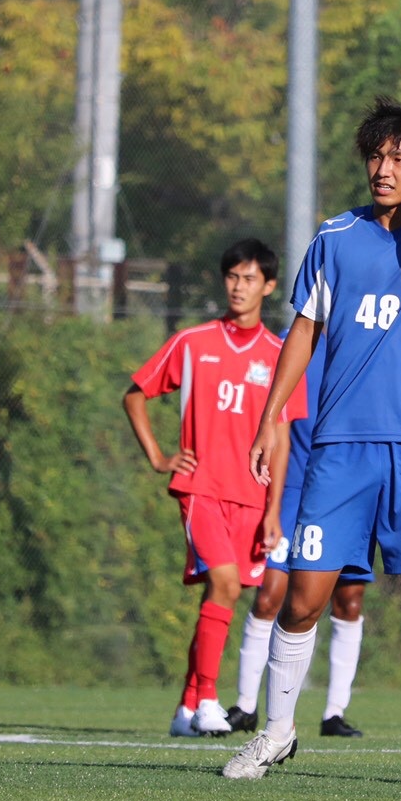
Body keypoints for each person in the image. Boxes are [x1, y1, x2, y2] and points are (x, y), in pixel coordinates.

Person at [222, 98, 401, 786]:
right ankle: (276, 733)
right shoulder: (334, 237)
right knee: (303, 597)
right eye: (376, 155)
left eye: (399, 157)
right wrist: (271, 417)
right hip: (340, 449)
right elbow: (303, 330)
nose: (382, 168)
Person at [123, 238, 307, 738]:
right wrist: (159, 457)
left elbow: (282, 440)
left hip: (250, 497)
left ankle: (185, 708)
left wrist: (273, 510)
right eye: (232, 276)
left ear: (269, 286)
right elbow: (135, 396)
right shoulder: (193, 342)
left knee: (220, 596)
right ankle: (207, 700)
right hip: (200, 488)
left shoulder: (280, 356)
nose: (238, 287)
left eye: (249, 278)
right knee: (224, 584)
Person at [226, 332, 370, 739]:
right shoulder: (290, 341)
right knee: (270, 595)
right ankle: (246, 705)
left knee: (349, 599)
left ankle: (334, 713)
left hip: (347, 487)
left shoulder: (365, 337)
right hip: (294, 489)